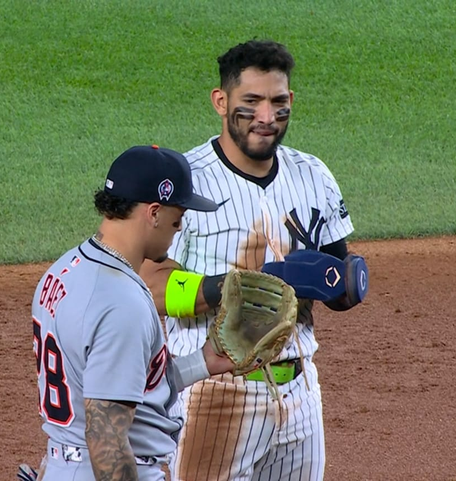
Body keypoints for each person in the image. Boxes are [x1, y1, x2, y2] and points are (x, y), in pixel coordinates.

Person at [139, 39, 362, 480]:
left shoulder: (313, 175)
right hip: (217, 393)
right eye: (252, 102)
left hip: (299, 395)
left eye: (279, 102)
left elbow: (340, 277)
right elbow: (149, 283)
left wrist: (338, 284)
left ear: (291, 100)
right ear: (221, 102)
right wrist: (226, 289)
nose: (266, 117)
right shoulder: (185, 179)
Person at [28, 145, 235, 481]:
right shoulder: (121, 302)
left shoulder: (64, 270)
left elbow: (117, 381)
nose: (179, 227)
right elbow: (106, 439)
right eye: (177, 217)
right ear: (153, 213)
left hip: (64, 463)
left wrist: (204, 361)